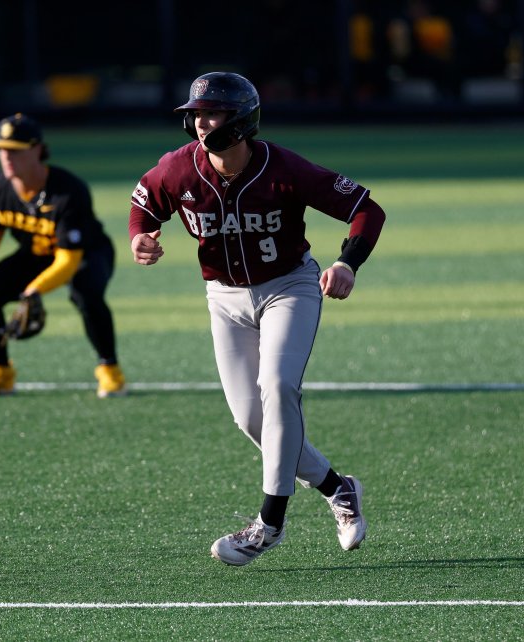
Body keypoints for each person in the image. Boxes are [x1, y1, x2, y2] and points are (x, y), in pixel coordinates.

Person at [129, 72, 385, 565]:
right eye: (196, 114)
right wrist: (140, 236)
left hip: (288, 287)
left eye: (213, 113)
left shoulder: (283, 167)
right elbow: (144, 204)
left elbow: (366, 209)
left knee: (278, 387)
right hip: (224, 298)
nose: (201, 123)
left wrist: (347, 262)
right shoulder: (179, 169)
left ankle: (269, 523)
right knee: (251, 418)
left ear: (242, 120)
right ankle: (338, 488)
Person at [0, 113, 126, 398]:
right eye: (2, 149)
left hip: (87, 252)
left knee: (85, 294)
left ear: (37, 149)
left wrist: (35, 290)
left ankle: (110, 370)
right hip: (37, 253)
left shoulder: (68, 191)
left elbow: (68, 261)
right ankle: (0, 371)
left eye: (16, 150)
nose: (7, 157)